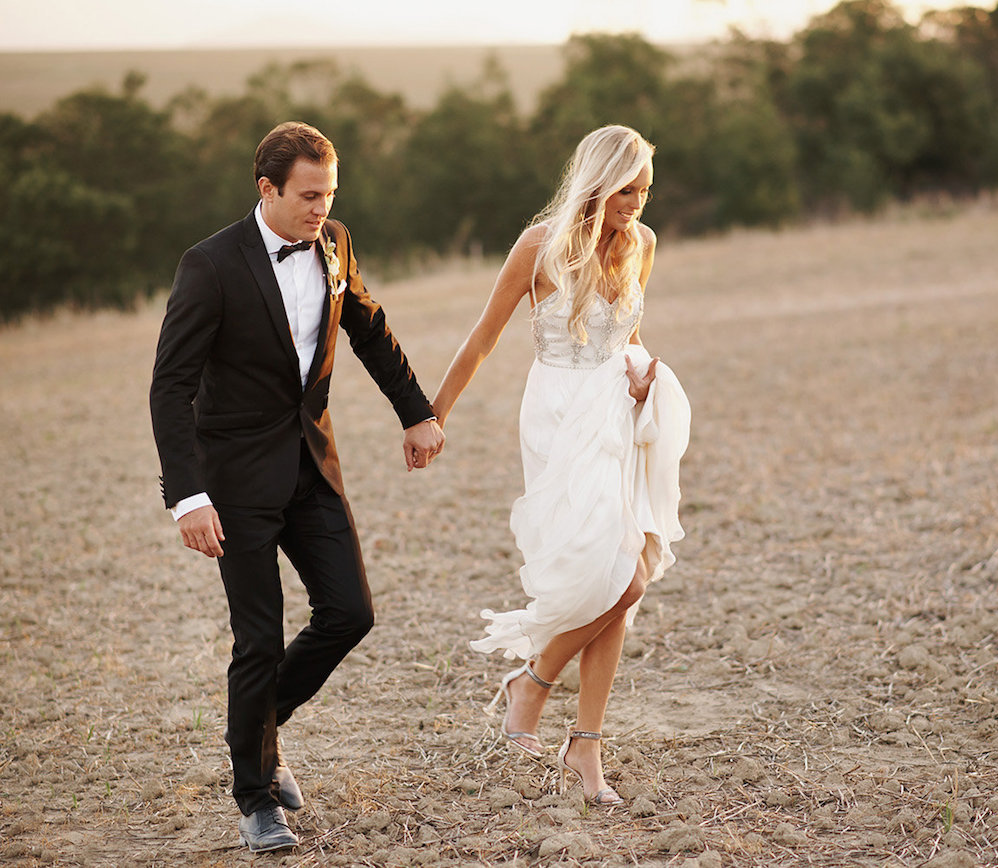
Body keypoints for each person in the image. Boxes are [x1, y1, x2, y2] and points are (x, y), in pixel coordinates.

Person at [149, 121, 444, 852]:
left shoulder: (336, 244)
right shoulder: (210, 265)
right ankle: (256, 795)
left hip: (314, 468)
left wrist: (417, 414)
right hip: (235, 483)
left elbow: (369, 330)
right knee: (258, 640)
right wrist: (188, 496)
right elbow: (170, 386)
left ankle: (254, 728)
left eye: (329, 194)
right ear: (267, 189)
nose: (321, 208)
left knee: (351, 612)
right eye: (308, 195)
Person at [428, 124, 690, 806]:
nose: (636, 203)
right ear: (597, 182)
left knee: (622, 578)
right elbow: (482, 337)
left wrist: (641, 378)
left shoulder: (643, 244)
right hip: (555, 417)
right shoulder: (539, 246)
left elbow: (626, 336)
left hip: (616, 413)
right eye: (626, 190)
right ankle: (535, 683)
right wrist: (434, 414)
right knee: (615, 581)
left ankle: (585, 747)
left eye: (645, 190)